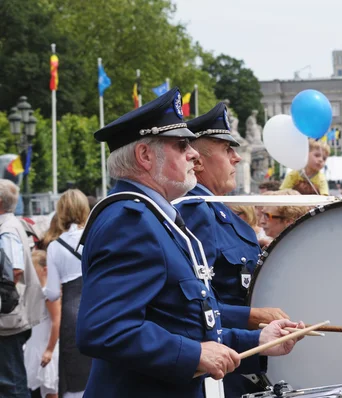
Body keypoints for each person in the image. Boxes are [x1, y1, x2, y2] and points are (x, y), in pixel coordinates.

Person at [76, 88, 304, 398]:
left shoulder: (155, 218)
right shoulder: (129, 221)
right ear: (144, 156)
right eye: (182, 145)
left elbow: (188, 323)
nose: (193, 154)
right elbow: (105, 329)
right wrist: (194, 355)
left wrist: (260, 340)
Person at [174, 102, 292, 396]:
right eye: (227, 149)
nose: (237, 157)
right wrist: (251, 316)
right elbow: (194, 303)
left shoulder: (215, 210)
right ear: (198, 161)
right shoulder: (196, 211)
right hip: (221, 367)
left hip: (235, 357)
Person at [44, 189, 92, 398]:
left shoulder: (55, 247)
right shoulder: (95, 236)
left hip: (72, 313)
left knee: (75, 376)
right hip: (98, 305)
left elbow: (53, 293)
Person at [0, 179, 45, 398]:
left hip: (9, 316)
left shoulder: (6, 230)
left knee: (11, 383)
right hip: (12, 315)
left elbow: (14, 271)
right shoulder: (10, 225)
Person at [24, 250, 59, 398]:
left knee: (50, 390)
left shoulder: (48, 293)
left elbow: (56, 320)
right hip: (34, 346)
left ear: (45, 270)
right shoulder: (35, 293)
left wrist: (49, 350)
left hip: (45, 347)